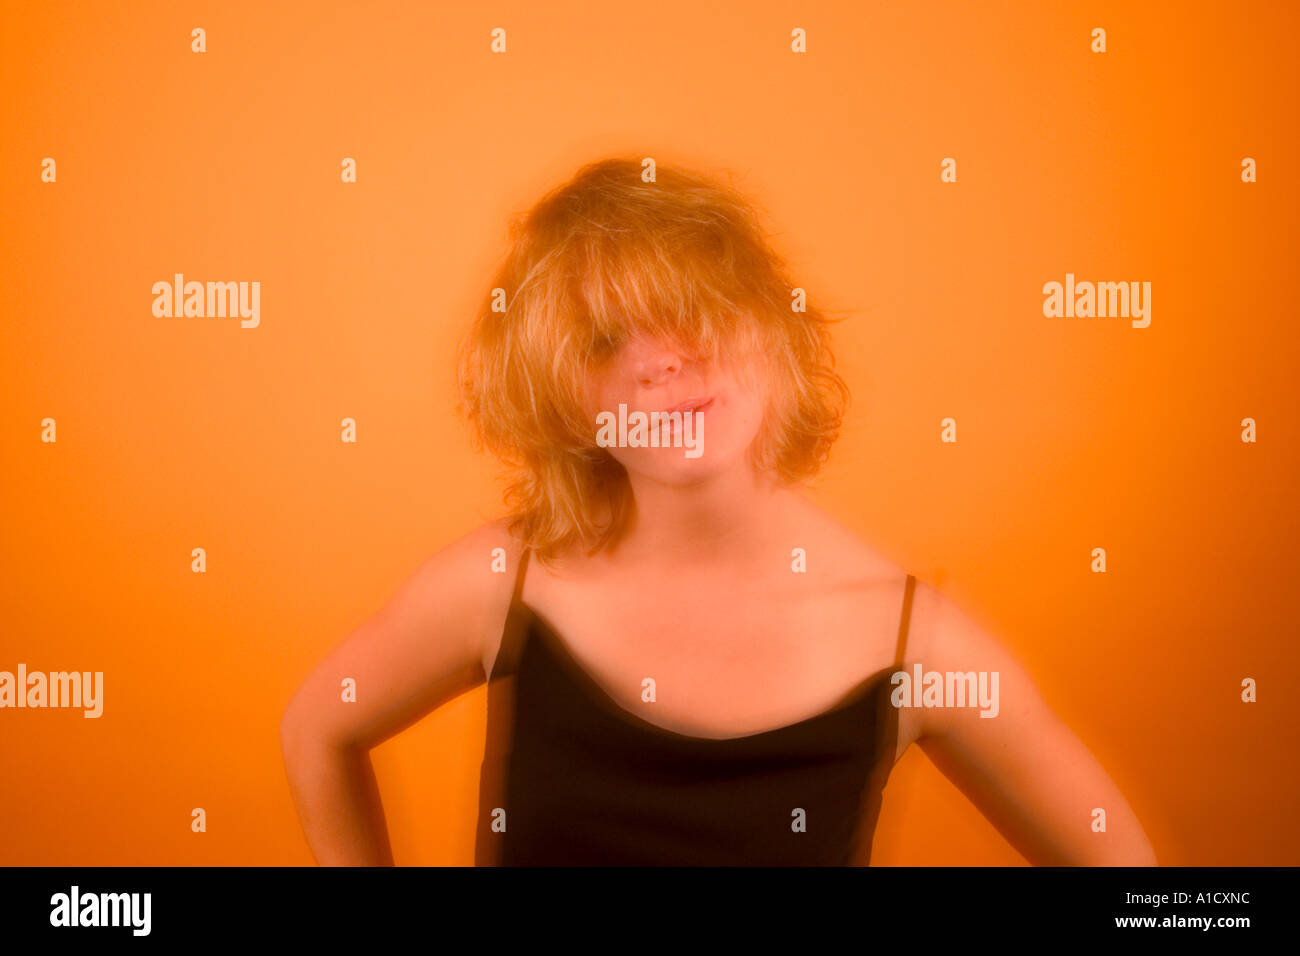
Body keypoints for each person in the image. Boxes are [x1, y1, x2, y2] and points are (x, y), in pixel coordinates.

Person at [279, 156, 1158, 866]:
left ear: (775, 331)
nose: (660, 362)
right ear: (561, 398)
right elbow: (318, 728)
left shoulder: (913, 642)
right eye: (602, 340)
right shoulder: (504, 582)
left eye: (691, 311)